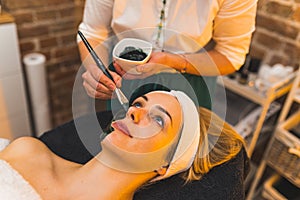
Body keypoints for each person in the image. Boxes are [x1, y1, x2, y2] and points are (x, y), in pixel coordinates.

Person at [0, 90, 247, 199]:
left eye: (159, 119)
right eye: (139, 104)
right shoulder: (28, 151)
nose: (133, 112)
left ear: (165, 163)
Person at [77, 0, 257, 109]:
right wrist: (95, 69)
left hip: (190, 78)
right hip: (124, 74)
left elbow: (231, 54)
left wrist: (173, 62)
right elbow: (93, 32)